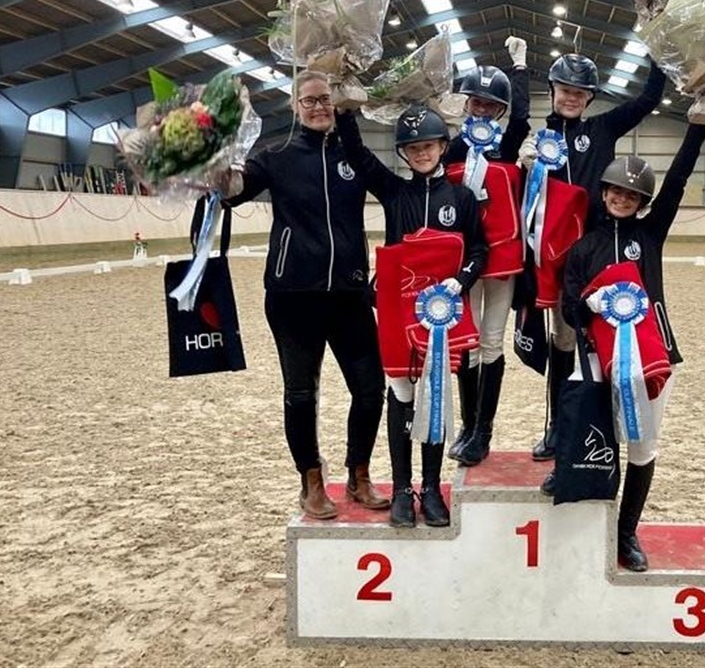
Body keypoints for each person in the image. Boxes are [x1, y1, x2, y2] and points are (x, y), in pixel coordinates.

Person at [223, 70, 389, 520]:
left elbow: (397, 191)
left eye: (325, 99)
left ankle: (359, 474)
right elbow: (233, 192)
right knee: (300, 394)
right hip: (293, 296)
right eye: (309, 100)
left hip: (349, 294)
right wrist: (214, 159)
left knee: (371, 390)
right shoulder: (276, 156)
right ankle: (311, 480)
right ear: (295, 106)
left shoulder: (353, 154)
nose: (318, 107)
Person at [558, 122, 705, 571]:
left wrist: (699, 127)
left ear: (642, 202)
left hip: (652, 357)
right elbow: (569, 308)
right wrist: (589, 304)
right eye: (615, 192)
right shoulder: (584, 248)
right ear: (604, 193)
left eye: (631, 195)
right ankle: (586, 507)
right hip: (597, 360)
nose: (622, 199)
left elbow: (678, 179)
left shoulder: (650, 235)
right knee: (593, 438)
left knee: (642, 447)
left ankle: (626, 532)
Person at [335, 103, 488, 528]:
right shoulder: (393, 191)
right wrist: (345, 113)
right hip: (399, 309)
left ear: (443, 146)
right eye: (413, 148)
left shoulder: (461, 198)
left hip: (442, 313)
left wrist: (462, 280)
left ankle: (432, 487)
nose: (421, 153)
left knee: (435, 396)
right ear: (403, 153)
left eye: (428, 146)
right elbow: (358, 154)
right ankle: (403, 488)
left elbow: (479, 249)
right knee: (401, 395)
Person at [521, 53, 667, 463]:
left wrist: (656, 47)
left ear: (590, 98)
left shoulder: (602, 129)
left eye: (580, 93)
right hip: (555, 260)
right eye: (565, 90)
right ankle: (558, 425)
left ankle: (606, 424)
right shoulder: (537, 141)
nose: (571, 98)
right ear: (552, 90)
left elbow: (648, 99)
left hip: (598, 254)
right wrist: (524, 166)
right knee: (563, 342)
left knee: (608, 339)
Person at [444, 36, 531, 467]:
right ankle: (467, 423)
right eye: (476, 102)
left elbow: (524, 117)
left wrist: (520, 68)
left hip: (502, 257)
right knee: (467, 342)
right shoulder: (451, 147)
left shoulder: (507, 145)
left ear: (499, 110)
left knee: (492, 341)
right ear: (467, 104)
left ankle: (484, 430)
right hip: (464, 258)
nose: (481, 110)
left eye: (490, 105)